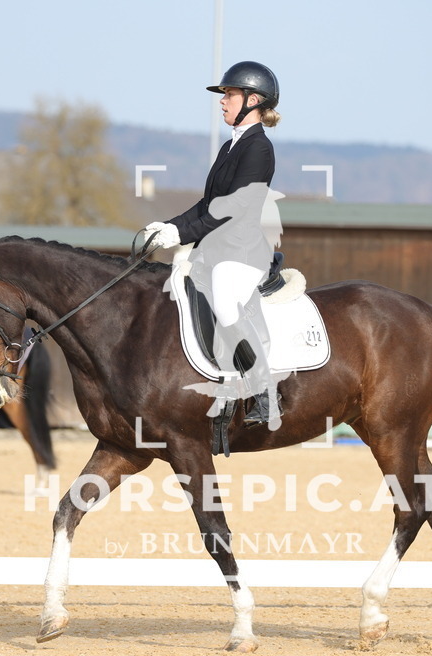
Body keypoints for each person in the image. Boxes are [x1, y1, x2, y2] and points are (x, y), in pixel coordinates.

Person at [143, 61, 283, 429]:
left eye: (229, 95)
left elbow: (233, 208)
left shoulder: (258, 149)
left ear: (253, 100)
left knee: (224, 299)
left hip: (242, 252)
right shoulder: (229, 147)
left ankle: (267, 391)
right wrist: (168, 228)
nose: (222, 102)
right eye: (223, 95)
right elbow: (208, 204)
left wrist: (183, 235)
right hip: (217, 250)